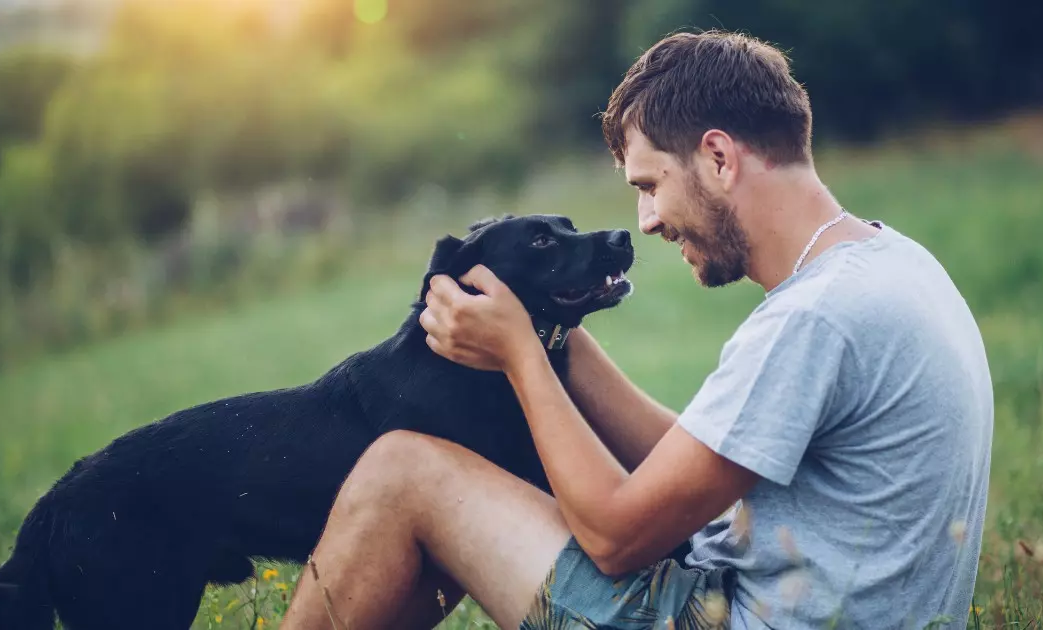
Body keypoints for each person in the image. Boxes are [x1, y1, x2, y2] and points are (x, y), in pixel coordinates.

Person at [281, 29, 994, 630]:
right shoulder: (890, 263)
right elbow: (701, 466)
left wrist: (522, 355)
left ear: (719, 158)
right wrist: (552, 329)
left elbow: (616, 537)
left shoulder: (813, 321)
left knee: (402, 470)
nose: (646, 221)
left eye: (650, 186)